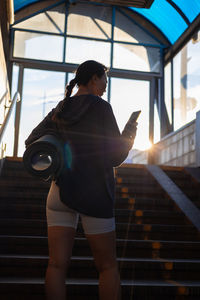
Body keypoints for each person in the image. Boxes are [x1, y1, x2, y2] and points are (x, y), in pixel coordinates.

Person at [25, 60, 138, 300]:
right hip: (94, 193)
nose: (106, 86)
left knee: (56, 265)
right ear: (94, 78)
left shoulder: (61, 107)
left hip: (59, 191)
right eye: (105, 79)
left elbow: (32, 140)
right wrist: (130, 132)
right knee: (108, 267)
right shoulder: (101, 107)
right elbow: (116, 157)